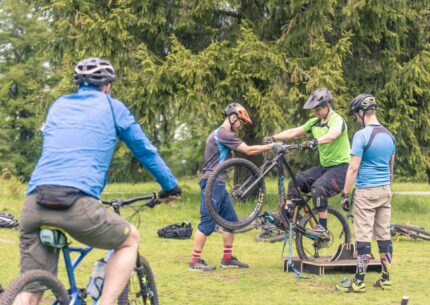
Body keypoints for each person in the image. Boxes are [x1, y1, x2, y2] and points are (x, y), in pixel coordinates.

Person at [18, 57, 182, 305]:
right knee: (130, 240)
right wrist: (170, 186)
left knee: (31, 289)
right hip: (76, 203)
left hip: (34, 202)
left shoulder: (59, 105)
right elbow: (145, 151)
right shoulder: (113, 107)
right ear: (107, 86)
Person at [189, 103, 276, 271]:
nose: (240, 125)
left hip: (219, 184)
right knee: (207, 223)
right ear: (233, 116)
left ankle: (227, 259)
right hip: (212, 184)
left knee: (231, 222)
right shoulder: (223, 133)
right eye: (240, 122)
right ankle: (194, 262)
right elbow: (248, 150)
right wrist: (272, 146)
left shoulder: (220, 133)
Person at [264, 88, 350, 236]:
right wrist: (274, 137)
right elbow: (293, 132)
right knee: (295, 183)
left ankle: (322, 228)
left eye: (318, 108)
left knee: (318, 187)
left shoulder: (336, 120)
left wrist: (314, 141)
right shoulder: (314, 122)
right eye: (314, 109)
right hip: (326, 167)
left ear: (328, 105)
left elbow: (333, 135)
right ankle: (289, 219)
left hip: (342, 169)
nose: (315, 112)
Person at [336, 94, 395, 293]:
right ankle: (385, 278)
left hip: (366, 191)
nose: (356, 119)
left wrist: (345, 194)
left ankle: (359, 281)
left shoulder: (361, 136)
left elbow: (353, 169)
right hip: (385, 190)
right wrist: (386, 186)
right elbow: (390, 166)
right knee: (383, 235)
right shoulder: (389, 135)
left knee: (363, 235)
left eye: (356, 115)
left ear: (361, 113)